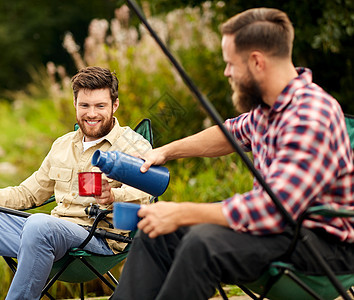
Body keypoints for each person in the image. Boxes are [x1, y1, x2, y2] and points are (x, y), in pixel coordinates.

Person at [111, 8, 354, 300]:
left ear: (256, 62)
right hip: (280, 233)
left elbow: (275, 209)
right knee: (156, 231)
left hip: (322, 247)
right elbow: (229, 134)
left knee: (202, 242)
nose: (226, 72)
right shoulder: (271, 108)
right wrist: (165, 151)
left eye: (230, 64)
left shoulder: (309, 115)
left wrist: (180, 212)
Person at [0, 66, 152, 299]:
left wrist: (113, 197)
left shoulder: (133, 146)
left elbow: (145, 195)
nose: (91, 114)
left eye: (100, 106)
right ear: (75, 104)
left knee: (39, 225)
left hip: (97, 240)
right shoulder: (62, 145)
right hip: (45, 235)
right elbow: (27, 194)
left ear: (115, 105)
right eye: (84, 106)